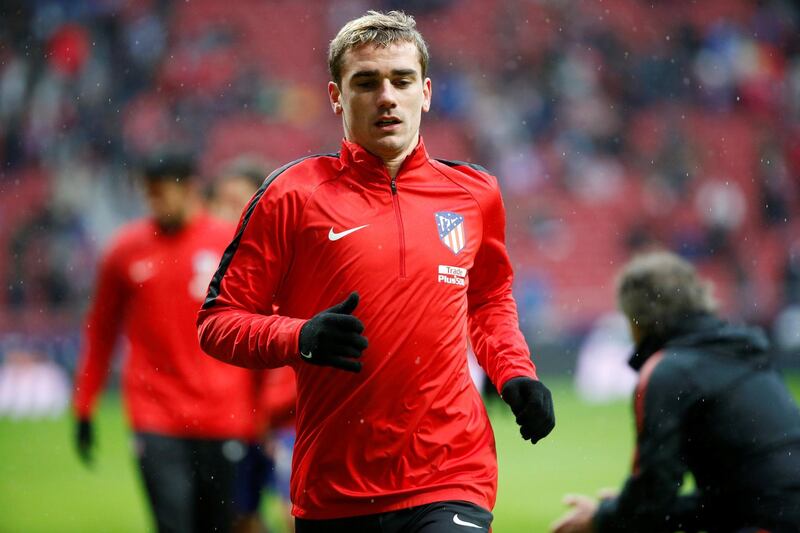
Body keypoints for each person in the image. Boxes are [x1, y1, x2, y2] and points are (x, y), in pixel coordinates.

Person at [196, 10, 555, 533]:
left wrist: (514, 372)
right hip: (335, 486)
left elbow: (488, 299)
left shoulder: (474, 194)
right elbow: (217, 322)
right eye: (365, 82)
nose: (386, 96)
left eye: (401, 80)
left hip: (452, 472)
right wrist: (300, 337)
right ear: (336, 96)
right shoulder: (292, 195)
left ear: (426, 92)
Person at [73, 152, 259, 533]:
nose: (154, 203)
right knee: (172, 525)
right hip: (155, 414)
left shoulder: (229, 243)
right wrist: (85, 403)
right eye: (149, 194)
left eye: (161, 194)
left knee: (219, 527)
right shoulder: (125, 250)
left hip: (222, 414)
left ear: (190, 188)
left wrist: (265, 409)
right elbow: (101, 330)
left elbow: (259, 325)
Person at [552, 250, 800, 533]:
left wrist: (604, 518)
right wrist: (621, 510)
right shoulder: (747, 351)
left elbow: (655, 491)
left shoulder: (668, 371)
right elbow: (734, 499)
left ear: (637, 320)